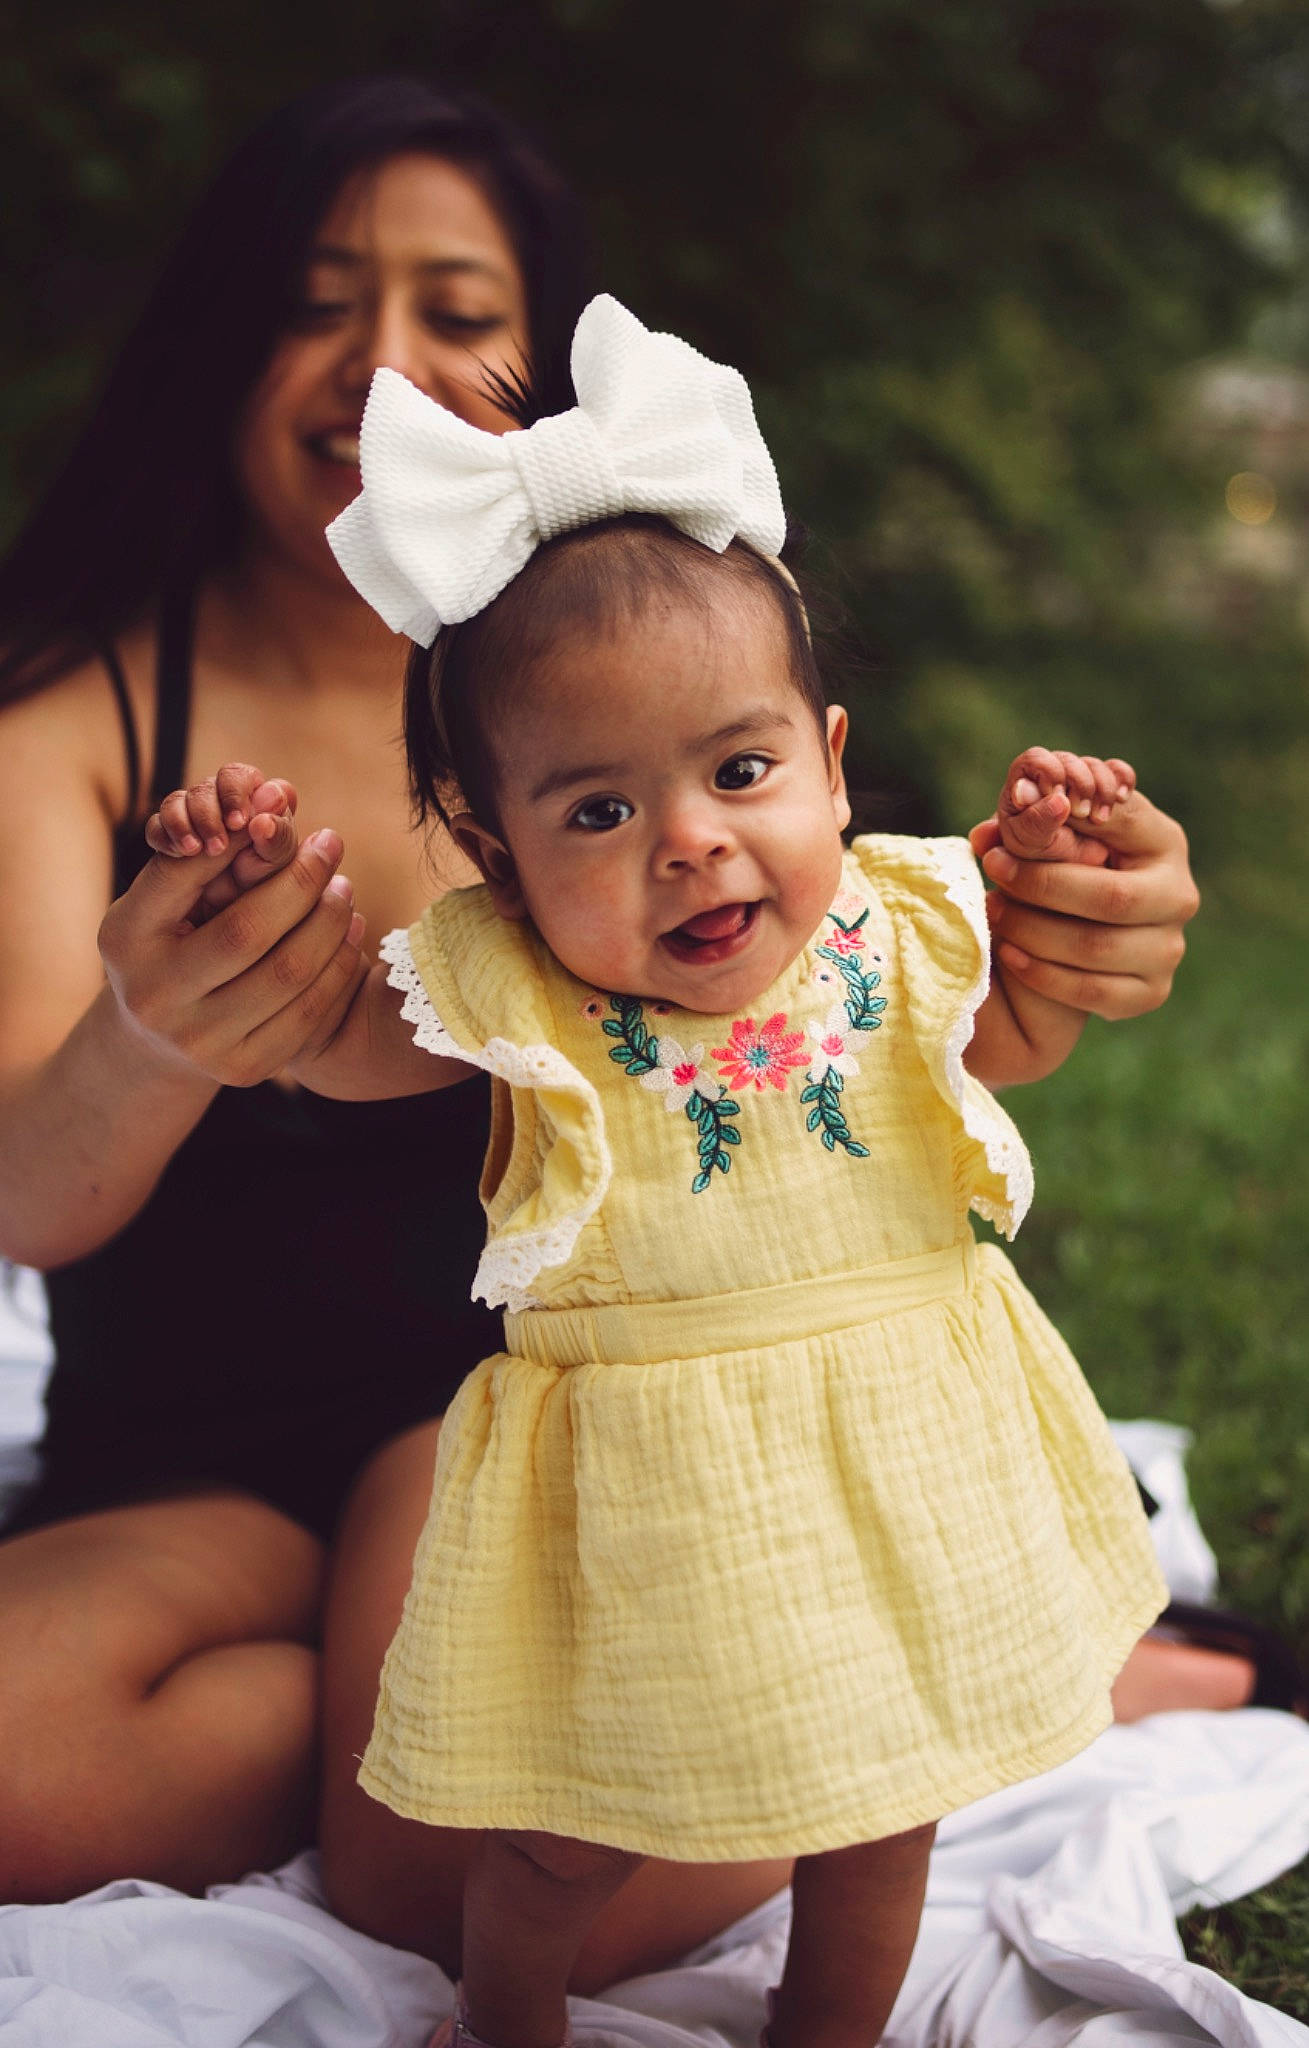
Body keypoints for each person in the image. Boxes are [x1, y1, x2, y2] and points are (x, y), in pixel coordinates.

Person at [0, 70, 1206, 1978]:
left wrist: (1065, 936)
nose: (382, 366)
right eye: (316, 298)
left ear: (533, 381)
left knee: (439, 1877)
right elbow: (24, 1195)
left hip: (544, 1410)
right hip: (194, 1451)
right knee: (19, 1776)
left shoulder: (643, 681)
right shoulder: (80, 713)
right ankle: (702, 1671)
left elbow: (870, 1024)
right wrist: (155, 1034)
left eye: (458, 310)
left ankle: (982, 1670)